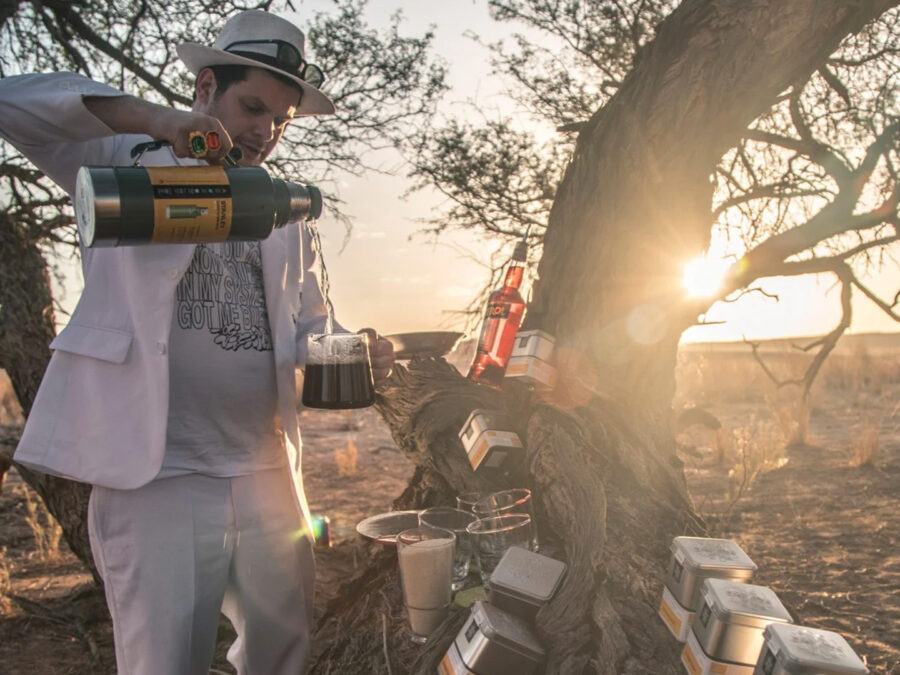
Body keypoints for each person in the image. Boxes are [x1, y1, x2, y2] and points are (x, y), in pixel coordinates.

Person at [0, 10, 394, 674]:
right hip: (157, 474)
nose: (266, 130)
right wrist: (155, 122)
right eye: (252, 106)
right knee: (164, 662)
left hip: (269, 472)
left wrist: (355, 346)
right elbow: (13, 102)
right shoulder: (120, 160)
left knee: (283, 655)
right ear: (206, 87)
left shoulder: (285, 211)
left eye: (281, 119)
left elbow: (310, 328)